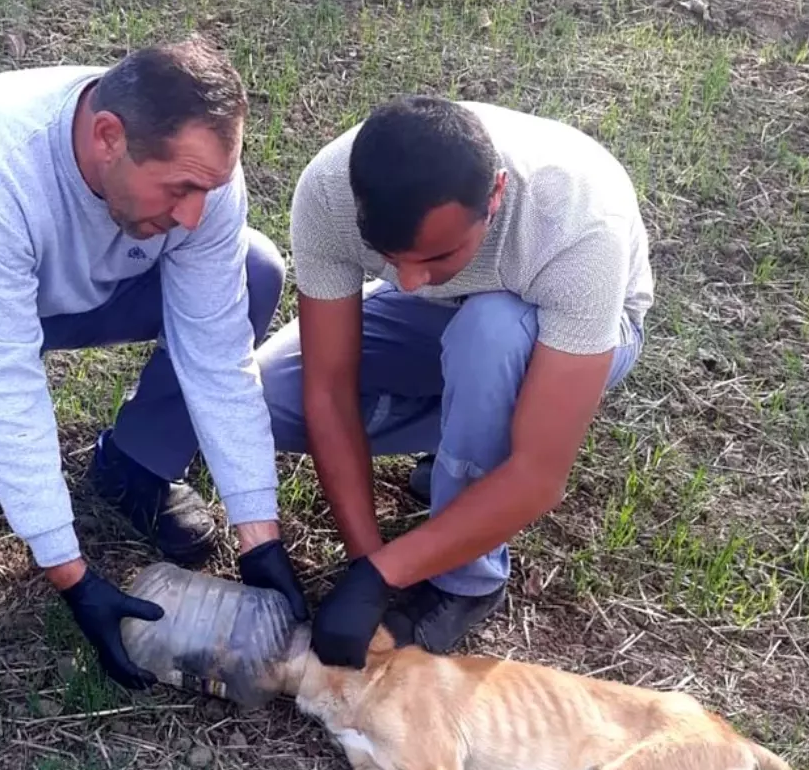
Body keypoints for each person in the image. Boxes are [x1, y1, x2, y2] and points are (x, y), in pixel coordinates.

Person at [0, 36, 306, 689]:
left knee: (255, 266)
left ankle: (135, 464)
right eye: (179, 189)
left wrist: (259, 534)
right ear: (108, 136)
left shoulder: (202, 169)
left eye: (207, 191)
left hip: (92, 289)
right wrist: (70, 573)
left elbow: (216, 354)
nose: (193, 214)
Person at [258, 95, 653, 667]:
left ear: (494, 195)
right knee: (275, 395)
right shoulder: (329, 190)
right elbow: (327, 388)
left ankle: (467, 581)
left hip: (570, 331)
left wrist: (390, 571)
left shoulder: (574, 223)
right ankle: (462, 441)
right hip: (456, 320)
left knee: (488, 337)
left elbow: (538, 475)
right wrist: (366, 560)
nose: (410, 281)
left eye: (439, 255)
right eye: (388, 257)